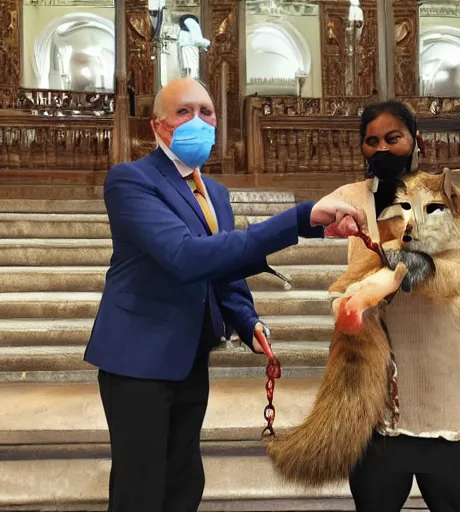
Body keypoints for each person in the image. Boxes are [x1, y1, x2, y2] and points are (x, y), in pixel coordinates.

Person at [84, 77, 362, 512]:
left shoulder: (214, 192)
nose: (199, 120)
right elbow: (184, 256)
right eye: (184, 112)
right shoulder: (130, 181)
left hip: (190, 354)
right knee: (140, 487)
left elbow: (222, 266)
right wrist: (298, 218)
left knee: (184, 480)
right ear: (158, 126)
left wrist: (245, 318)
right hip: (137, 359)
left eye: (207, 112)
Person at [330, 100, 460, 511]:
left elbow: (458, 277)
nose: (381, 149)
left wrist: (412, 263)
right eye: (371, 141)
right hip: (373, 404)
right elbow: (351, 280)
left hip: (440, 395)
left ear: (417, 141)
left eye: (393, 138)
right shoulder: (350, 200)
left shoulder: (459, 205)